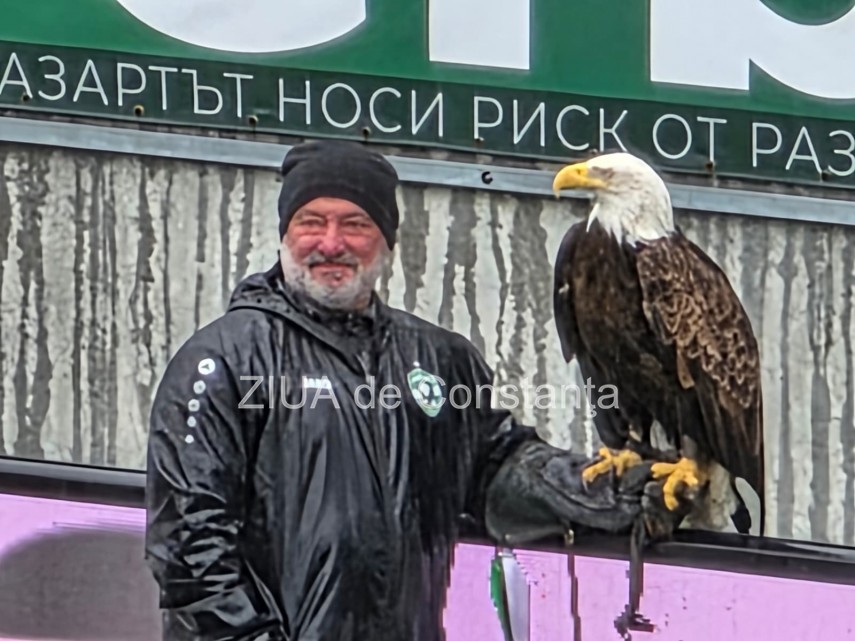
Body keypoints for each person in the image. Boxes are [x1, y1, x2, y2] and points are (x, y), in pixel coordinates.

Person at [144, 140, 670, 641]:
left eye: (356, 224)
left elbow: (493, 470)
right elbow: (189, 549)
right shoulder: (224, 362)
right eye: (311, 222)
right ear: (285, 234)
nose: (331, 243)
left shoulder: (440, 360)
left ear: (386, 242)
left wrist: (604, 491)